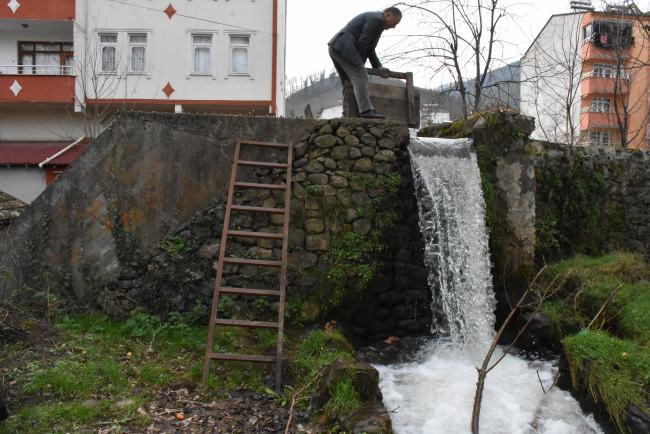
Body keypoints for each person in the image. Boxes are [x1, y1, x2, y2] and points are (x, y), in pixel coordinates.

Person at [328, 7, 402, 119]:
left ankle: (346, 114)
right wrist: (360, 64)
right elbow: (363, 42)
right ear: (387, 15)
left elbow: (370, 49)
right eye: (394, 22)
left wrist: (378, 67)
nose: (394, 26)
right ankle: (366, 111)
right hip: (344, 46)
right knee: (361, 75)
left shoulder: (377, 22)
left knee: (348, 81)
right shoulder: (376, 20)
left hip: (336, 46)